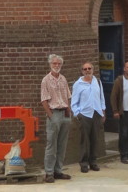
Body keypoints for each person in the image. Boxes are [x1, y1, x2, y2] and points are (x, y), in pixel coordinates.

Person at [40, 54, 72, 183]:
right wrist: (50, 115)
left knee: (62, 144)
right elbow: (44, 100)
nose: (57, 66)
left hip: (64, 113)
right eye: (54, 63)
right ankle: (49, 172)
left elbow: (67, 96)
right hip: (54, 113)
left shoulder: (63, 79)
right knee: (51, 144)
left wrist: (68, 112)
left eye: (59, 63)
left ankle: (58, 170)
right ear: (50, 64)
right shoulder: (46, 80)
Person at [71, 61, 106, 172]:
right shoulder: (78, 84)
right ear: (82, 71)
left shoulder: (98, 82)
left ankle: (93, 162)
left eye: (89, 68)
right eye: (85, 69)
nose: (87, 71)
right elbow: (74, 101)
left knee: (95, 139)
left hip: (96, 113)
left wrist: (103, 112)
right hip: (85, 115)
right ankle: (84, 163)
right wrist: (78, 114)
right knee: (84, 140)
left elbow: (102, 98)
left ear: (93, 69)